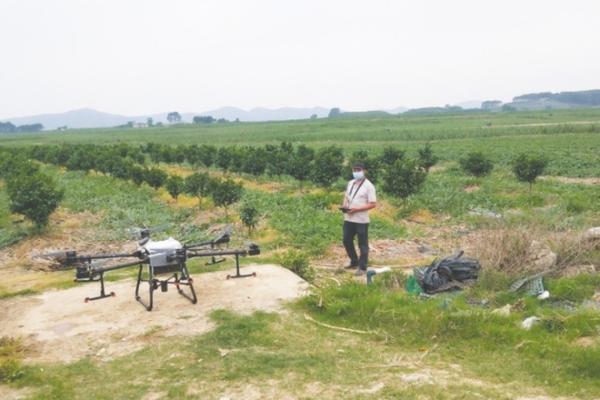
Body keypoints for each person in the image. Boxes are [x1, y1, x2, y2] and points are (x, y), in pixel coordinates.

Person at [341, 162, 377, 275]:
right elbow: (346, 196)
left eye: (358, 170)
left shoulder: (369, 186)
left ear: (364, 171)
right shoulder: (350, 183)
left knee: (362, 244)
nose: (356, 172)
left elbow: (372, 204)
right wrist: (344, 205)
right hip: (348, 218)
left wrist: (357, 209)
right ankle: (354, 261)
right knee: (346, 240)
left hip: (361, 220)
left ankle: (362, 267)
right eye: (354, 170)